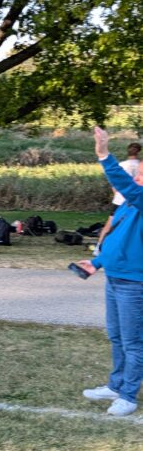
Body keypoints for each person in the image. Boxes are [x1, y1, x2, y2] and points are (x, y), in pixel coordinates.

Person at [78, 127, 143, 417]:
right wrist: (97, 262)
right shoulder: (129, 204)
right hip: (114, 279)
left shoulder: (139, 198)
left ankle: (128, 396)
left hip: (135, 284)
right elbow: (117, 238)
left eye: (141, 175)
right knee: (116, 337)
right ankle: (116, 386)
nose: (136, 176)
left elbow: (125, 184)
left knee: (133, 342)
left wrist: (104, 154)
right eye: (137, 173)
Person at [96, 140, 141, 248]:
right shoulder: (140, 165)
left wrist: (117, 194)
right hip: (136, 200)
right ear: (138, 152)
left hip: (120, 199)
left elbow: (114, 182)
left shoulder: (121, 165)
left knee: (110, 224)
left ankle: (99, 246)